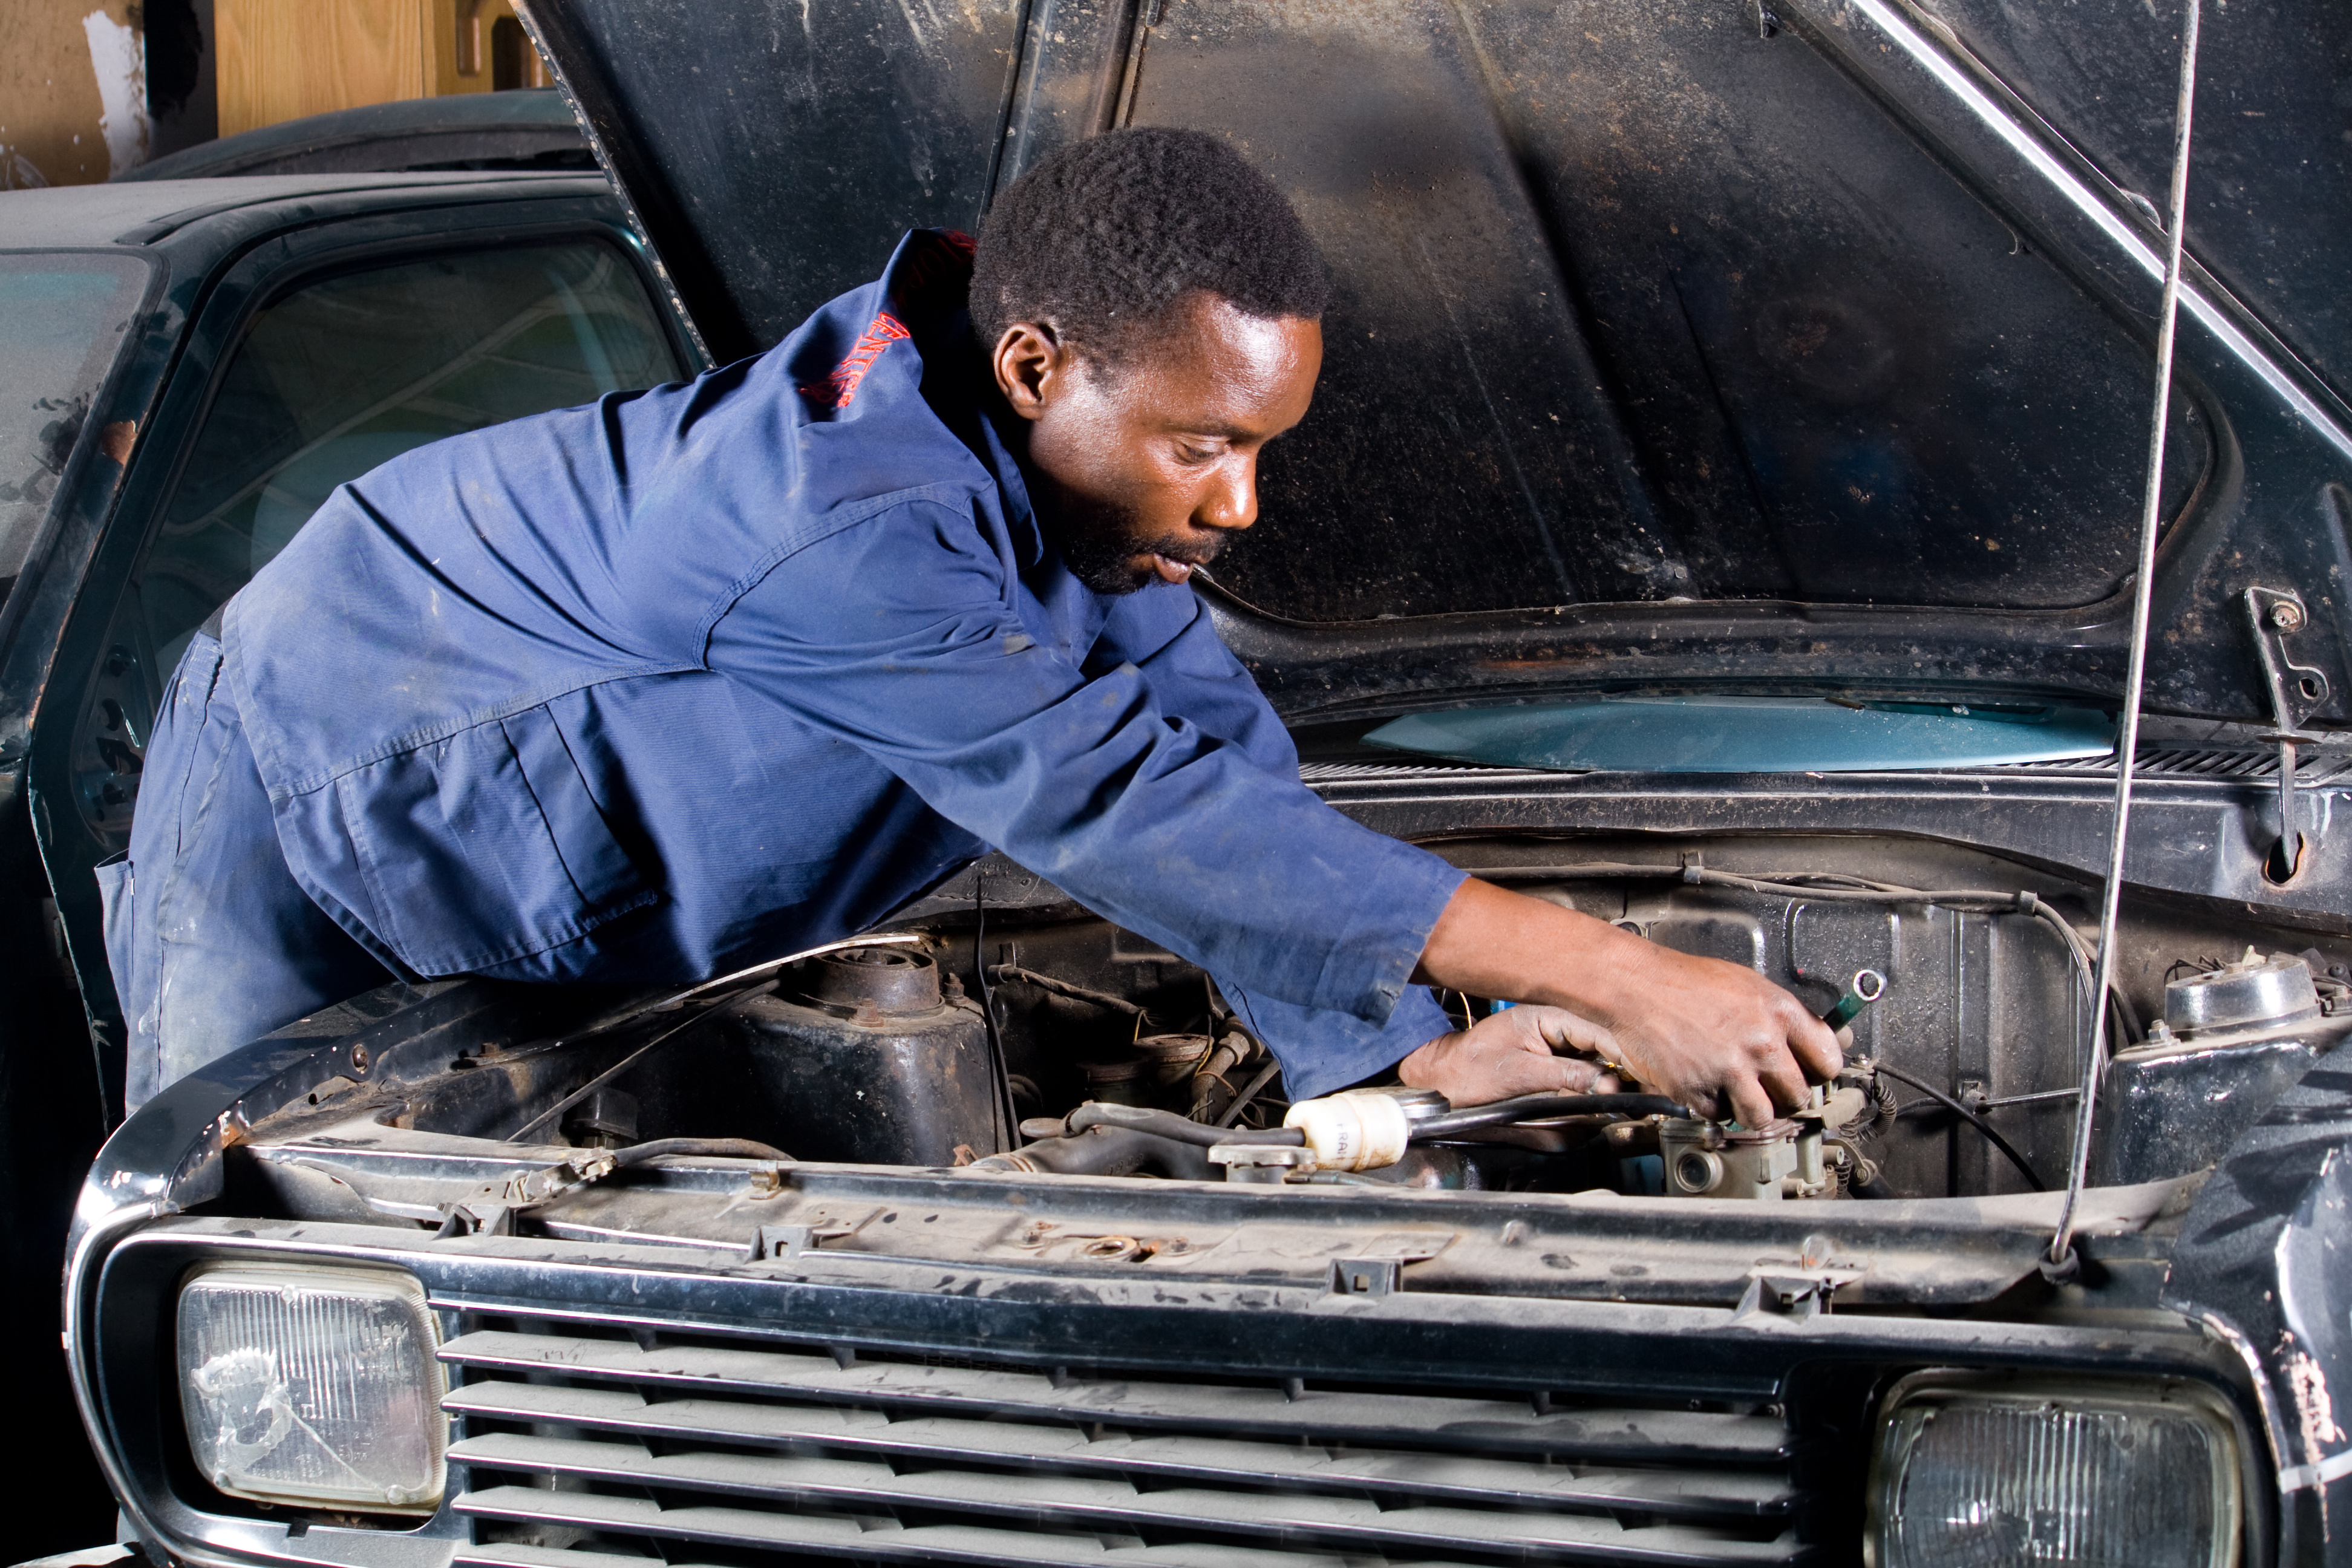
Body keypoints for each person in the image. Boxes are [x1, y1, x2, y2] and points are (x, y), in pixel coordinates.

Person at [103, 127, 1837, 1119]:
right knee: (277, 1294)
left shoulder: (1054, 492)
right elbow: (1113, 808)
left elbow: (1207, 766)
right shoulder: (840, 525)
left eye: (1259, 449)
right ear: (1036, 369)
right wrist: (1615, 967)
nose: (1240, 508)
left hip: (556, 831)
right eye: (1207, 446)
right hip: (302, 810)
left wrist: (1396, 1068)